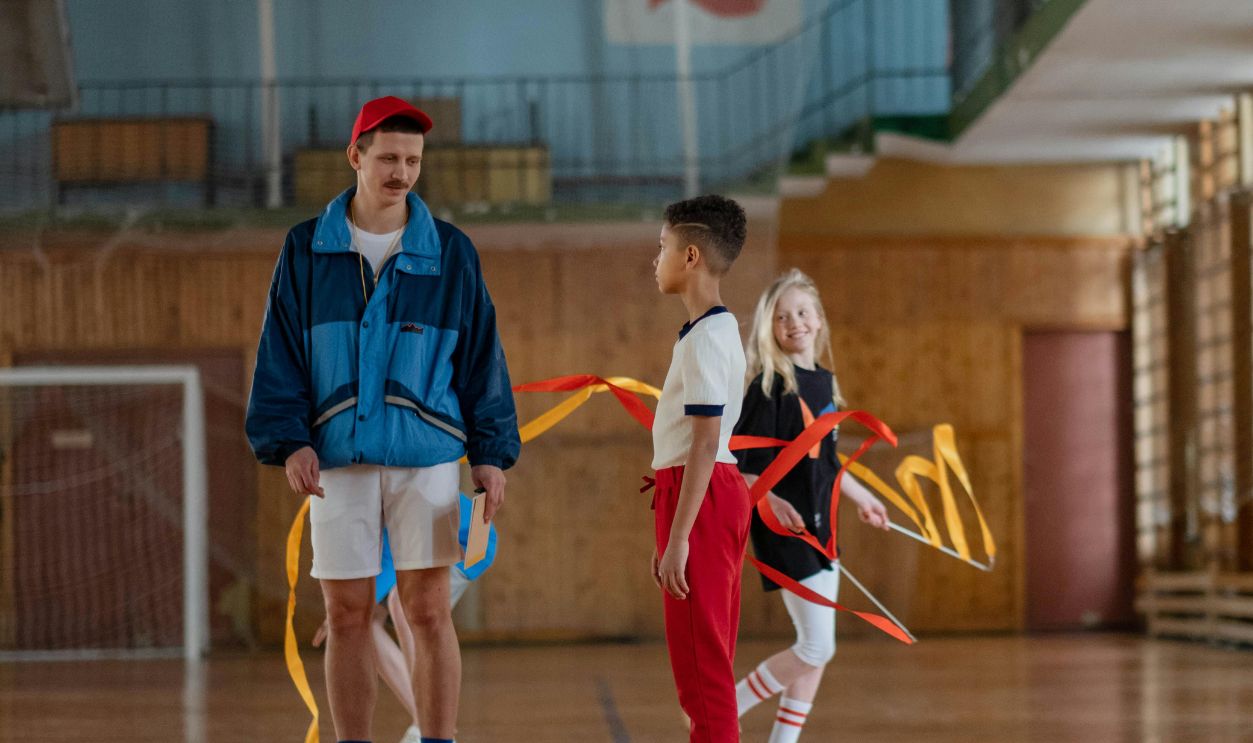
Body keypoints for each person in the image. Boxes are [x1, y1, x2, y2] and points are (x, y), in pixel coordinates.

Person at [246, 95, 520, 743]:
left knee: (427, 611)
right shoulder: (305, 249)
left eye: (413, 161)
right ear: (356, 157)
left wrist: (490, 454)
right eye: (389, 158)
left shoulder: (451, 252)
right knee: (347, 616)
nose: (402, 172)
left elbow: (481, 358)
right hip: (336, 461)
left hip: (426, 458)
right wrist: (290, 441)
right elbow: (280, 353)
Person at [731, 268, 890, 742]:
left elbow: (828, 461)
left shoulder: (824, 382)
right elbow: (741, 468)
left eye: (802, 312)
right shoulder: (769, 387)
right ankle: (723, 708)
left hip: (822, 528)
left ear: (819, 319)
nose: (794, 322)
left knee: (816, 650)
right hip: (784, 528)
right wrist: (772, 500)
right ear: (770, 329)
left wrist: (865, 498)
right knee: (817, 647)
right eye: (782, 317)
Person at [649, 194, 752, 742]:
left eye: (662, 246)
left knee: (703, 676)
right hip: (699, 496)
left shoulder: (709, 336)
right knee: (705, 666)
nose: (656, 258)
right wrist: (670, 533)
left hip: (703, 495)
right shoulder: (707, 331)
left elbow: (706, 443)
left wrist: (679, 537)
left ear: (690, 256)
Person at [314, 494, 500, 743]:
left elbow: (392, 557)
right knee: (366, 624)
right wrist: (344, 616)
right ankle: (423, 720)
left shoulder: (384, 498)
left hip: (473, 538)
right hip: (430, 541)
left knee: (402, 603)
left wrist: (343, 614)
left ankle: (431, 725)